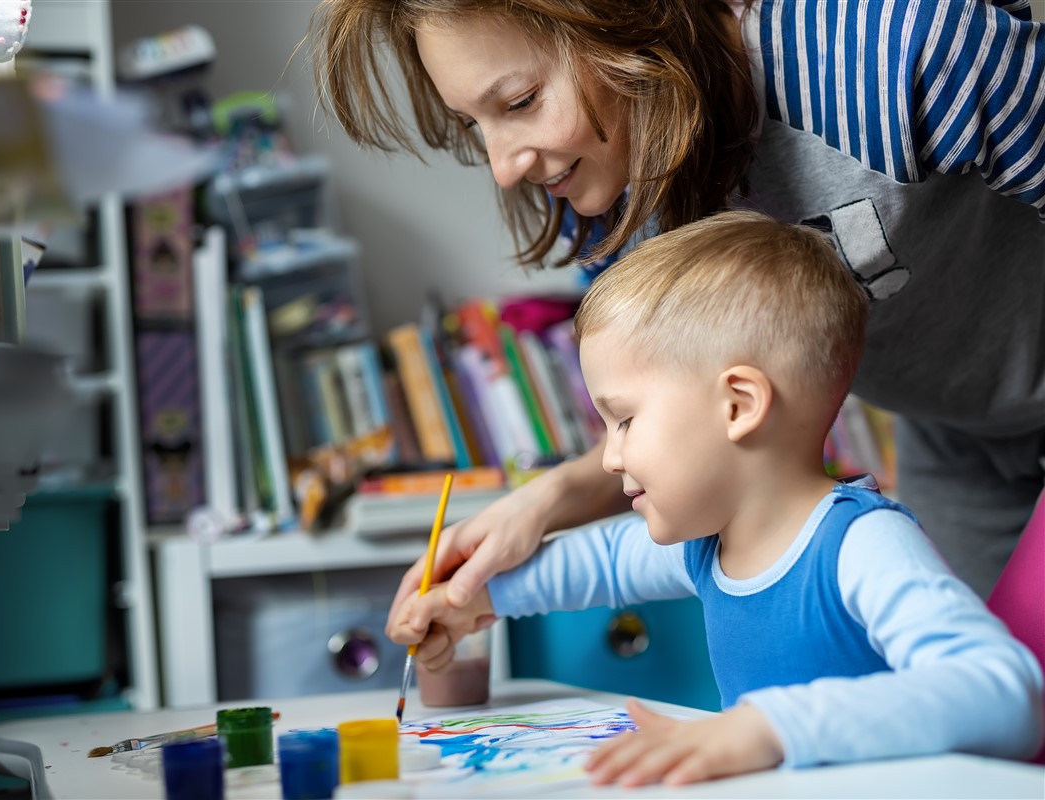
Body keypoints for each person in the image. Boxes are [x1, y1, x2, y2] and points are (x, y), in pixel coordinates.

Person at [308, 0, 1045, 609]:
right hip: (957, 442)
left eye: (523, 102)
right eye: (476, 123)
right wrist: (539, 506)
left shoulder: (890, 51)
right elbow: (680, 418)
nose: (504, 168)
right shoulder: (606, 187)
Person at [387, 211, 1044, 786]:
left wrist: (766, 729)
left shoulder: (862, 545)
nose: (609, 457)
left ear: (738, 405)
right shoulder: (708, 544)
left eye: (624, 420)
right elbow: (598, 564)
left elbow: (1005, 698)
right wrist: (472, 597)